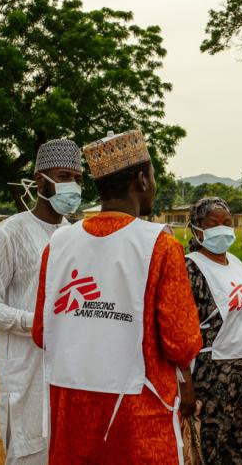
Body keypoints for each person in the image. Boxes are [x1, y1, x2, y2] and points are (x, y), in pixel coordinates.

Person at [32, 130, 202, 464]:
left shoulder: (59, 244)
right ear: (141, 180)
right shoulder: (160, 245)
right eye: (152, 175)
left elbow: (42, 333)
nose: (153, 183)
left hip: (72, 421)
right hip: (138, 425)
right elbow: (181, 343)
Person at [0, 138, 83, 464]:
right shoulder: (9, 234)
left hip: (71, 375)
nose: (73, 187)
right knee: (29, 455)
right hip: (26, 376)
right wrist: (37, 322)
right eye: (64, 176)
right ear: (39, 181)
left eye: (78, 179)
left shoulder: (77, 237)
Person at [183, 197, 242, 464]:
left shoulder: (238, 264)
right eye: (213, 224)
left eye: (227, 223)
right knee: (210, 449)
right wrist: (185, 381)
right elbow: (182, 328)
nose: (222, 229)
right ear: (196, 228)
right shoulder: (190, 267)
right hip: (214, 375)